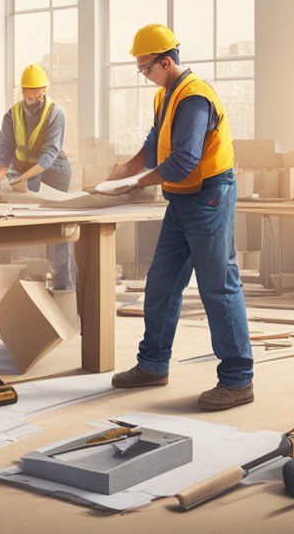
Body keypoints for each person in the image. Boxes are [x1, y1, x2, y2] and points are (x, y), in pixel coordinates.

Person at [104, 24, 254, 411]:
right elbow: (155, 144)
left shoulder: (194, 98)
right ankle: (153, 364)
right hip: (181, 199)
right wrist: (127, 168)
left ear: (165, 62)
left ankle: (238, 380)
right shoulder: (166, 96)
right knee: (162, 283)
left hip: (208, 198)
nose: (144, 75)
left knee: (218, 287)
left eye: (145, 68)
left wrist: (137, 183)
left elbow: (185, 159)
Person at [0, 63, 77, 292]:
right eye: (29, 94)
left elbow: (50, 153)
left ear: (44, 90)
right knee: (21, 224)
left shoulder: (55, 113)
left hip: (54, 171)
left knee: (57, 231)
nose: (33, 100)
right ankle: (26, 287)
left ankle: (63, 288)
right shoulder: (12, 114)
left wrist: (23, 179)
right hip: (25, 170)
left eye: (38, 94)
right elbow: (4, 148)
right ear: (22, 91)